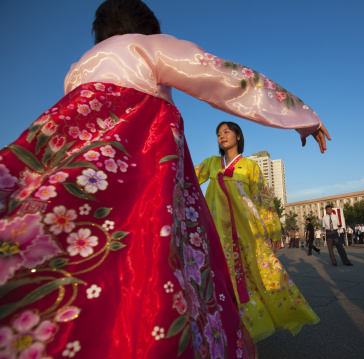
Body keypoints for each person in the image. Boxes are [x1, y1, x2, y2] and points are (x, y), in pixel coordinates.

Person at [0, 1, 330, 357]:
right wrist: (301, 115)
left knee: (84, 254)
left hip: (80, 164)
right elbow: (227, 79)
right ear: (147, 27)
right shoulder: (146, 47)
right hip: (140, 164)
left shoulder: (77, 69)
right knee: (153, 258)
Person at [196, 122, 320, 342]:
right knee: (223, 277)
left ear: (238, 136)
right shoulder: (212, 163)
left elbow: (264, 200)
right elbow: (189, 176)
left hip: (248, 232)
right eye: (218, 134)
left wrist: (274, 232)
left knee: (263, 274)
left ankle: (276, 316)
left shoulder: (250, 166)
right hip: (217, 231)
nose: (221, 136)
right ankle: (234, 326)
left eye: (226, 132)